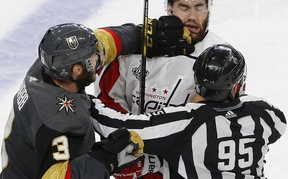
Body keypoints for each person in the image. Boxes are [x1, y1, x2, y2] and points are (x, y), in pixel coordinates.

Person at [94, 0, 228, 178]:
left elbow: (216, 124)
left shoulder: (220, 59)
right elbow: (108, 98)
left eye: (199, 7)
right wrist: (129, 143)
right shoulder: (136, 49)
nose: (192, 16)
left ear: (209, 9)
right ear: (169, 8)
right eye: (184, 7)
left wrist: (159, 164)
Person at [0, 22, 171, 178]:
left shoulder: (47, 67)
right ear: (77, 69)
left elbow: (101, 43)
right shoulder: (60, 121)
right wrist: (109, 157)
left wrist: (140, 35)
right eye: (92, 58)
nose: (98, 58)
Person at [91, 44, 287, 179]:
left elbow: (116, 126)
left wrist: (89, 103)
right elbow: (278, 125)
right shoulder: (265, 113)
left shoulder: (187, 120)